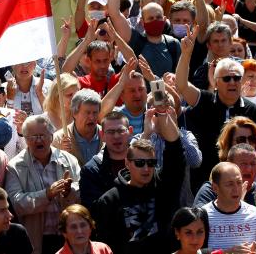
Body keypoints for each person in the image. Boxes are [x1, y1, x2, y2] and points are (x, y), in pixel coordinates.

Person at [176, 28, 256, 193]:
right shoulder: (205, 100)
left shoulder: (251, 109)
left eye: (237, 78)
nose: (232, 82)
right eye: (226, 78)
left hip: (241, 184)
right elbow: (181, 85)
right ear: (216, 82)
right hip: (205, 183)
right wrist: (186, 54)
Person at [92, 110, 186, 254]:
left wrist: (162, 113)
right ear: (128, 164)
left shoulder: (163, 185)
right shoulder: (110, 200)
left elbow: (176, 152)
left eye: (151, 162)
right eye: (140, 163)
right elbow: (106, 245)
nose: (146, 168)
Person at [5, 115, 81, 254]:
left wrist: (69, 191)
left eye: (42, 135)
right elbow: (16, 204)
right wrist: (47, 194)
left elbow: (81, 193)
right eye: (33, 137)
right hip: (36, 239)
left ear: (51, 137)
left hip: (67, 236)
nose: (38, 140)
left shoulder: (69, 160)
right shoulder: (15, 167)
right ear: (26, 140)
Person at [194, 143, 256, 231]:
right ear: (230, 164)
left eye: (253, 164)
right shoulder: (213, 189)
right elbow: (196, 224)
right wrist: (235, 205)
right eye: (243, 164)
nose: (249, 169)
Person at [202, 162, 256, 251]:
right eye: (230, 184)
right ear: (215, 188)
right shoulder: (202, 216)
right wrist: (227, 253)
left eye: (239, 182)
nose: (236, 189)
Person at [79, 111, 132, 209]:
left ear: (130, 131)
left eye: (121, 131)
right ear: (102, 135)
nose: (116, 136)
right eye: (110, 132)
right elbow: (92, 211)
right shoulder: (91, 170)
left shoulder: (143, 162)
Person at [215, 116, 256, 189]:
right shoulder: (221, 169)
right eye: (241, 139)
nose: (247, 143)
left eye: (251, 139)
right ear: (229, 143)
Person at [53, 89, 104, 166]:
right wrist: (62, 154)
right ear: (74, 113)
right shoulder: (59, 139)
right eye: (87, 113)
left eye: (95, 112)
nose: (92, 117)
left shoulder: (108, 135)